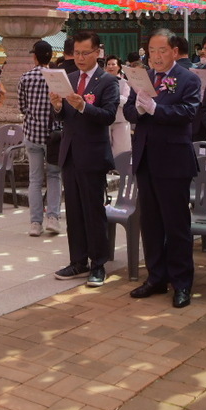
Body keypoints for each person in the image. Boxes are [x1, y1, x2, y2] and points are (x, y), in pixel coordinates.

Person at [124, 29, 203, 309]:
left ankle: (182, 283)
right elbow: (129, 112)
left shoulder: (188, 79)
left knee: (176, 225)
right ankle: (156, 277)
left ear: (174, 52)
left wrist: (157, 109)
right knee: (151, 223)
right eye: (152, 51)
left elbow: (189, 113)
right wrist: (140, 110)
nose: (156, 56)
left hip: (173, 160)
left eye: (162, 51)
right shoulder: (142, 77)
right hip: (145, 157)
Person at [50, 31, 120, 288]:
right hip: (69, 152)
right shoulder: (67, 78)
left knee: (93, 210)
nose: (80, 58)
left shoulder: (107, 81)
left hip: (93, 154)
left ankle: (98, 263)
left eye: (85, 53)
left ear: (97, 52)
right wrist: (57, 106)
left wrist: (83, 106)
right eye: (76, 53)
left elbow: (108, 116)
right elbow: (62, 118)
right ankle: (77, 260)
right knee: (75, 211)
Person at [19, 39, 62, 238]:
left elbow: (22, 107)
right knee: (54, 176)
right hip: (53, 136)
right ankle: (53, 217)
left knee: (35, 180)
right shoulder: (57, 78)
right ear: (50, 56)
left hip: (33, 134)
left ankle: (35, 223)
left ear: (35, 56)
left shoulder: (26, 78)